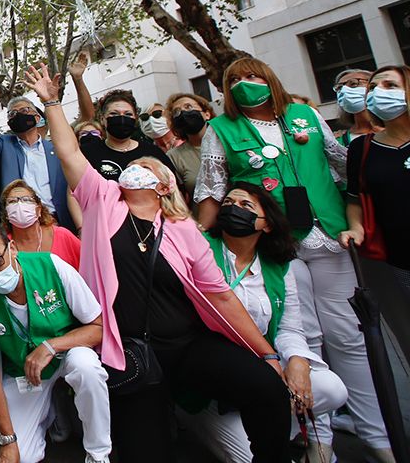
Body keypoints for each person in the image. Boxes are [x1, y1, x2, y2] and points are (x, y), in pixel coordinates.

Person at [24, 61, 291, 463]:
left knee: (266, 388)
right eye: (130, 168)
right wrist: (50, 102)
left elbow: (221, 297)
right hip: (130, 353)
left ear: (165, 183)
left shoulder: (184, 230)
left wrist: (267, 353)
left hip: (188, 347)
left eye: (144, 167)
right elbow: (68, 151)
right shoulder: (103, 201)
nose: (134, 170)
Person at [194, 56, 392, 460]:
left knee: (349, 339)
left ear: (270, 77)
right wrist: (198, 238)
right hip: (278, 244)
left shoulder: (305, 115)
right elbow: (211, 188)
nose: (246, 84)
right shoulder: (220, 129)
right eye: (235, 80)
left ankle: (379, 439)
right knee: (304, 338)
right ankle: (320, 440)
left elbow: (342, 163)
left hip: (332, 235)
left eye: (253, 76)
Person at [181, 182, 347, 463]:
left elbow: (289, 326)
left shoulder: (278, 266)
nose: (234, 208)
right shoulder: (200, 249)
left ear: (267, 225)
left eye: (246, 206)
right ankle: (207, 420)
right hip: (214, 379)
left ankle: (276, 426)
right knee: (248, 458)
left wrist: (297, 360)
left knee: (331, 389)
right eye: (229, 203)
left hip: (264, 368)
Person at [0, 217, 111, 463]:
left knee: (87, 368)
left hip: (68, 352)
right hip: (25, 371)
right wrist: (7, 440)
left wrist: (51, 345)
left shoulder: (51, 265)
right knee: (22, 457)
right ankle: (49, 412)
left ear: (11, 248)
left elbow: (98, 327)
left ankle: (98, 454)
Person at [348, 64, 410, 291]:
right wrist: (356, 228)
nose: (378, 92)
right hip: (402, 257)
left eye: (390, 85)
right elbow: (355, 199)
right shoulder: (361, 148)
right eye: (373, 87)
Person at [0, 90, 76, 231]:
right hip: (21, 221)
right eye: (13, 114)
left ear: (37, 117)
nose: (19, 115)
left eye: (24, 110)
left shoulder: (55, 148)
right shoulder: (5, 144)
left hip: (57, 221)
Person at [79, 88, 176, 182]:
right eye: (114, 113)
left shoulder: (153, 153)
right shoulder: (88, 153)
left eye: (128, 114)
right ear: (102, 119)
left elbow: (172, 187)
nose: (121, 118)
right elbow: (74, 192)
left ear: (135, 118)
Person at [0, 180, 81, 269]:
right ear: (6, 214)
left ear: (38, 210)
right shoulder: (3, 246)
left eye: (26, 199)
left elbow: (89, 262)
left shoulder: (63, 236)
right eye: (12, 201)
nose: (19, 204)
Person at [164, 92, 216, 198]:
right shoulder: (174, 156)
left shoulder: (227, 143)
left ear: (207, 114)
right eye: (176, 112)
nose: (183, 113)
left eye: (188, 107)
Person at [334, 68, 380, 145]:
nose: (344, 90)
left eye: (353, 83)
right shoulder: (337, 142)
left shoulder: (401, 131)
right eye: (339, 88)